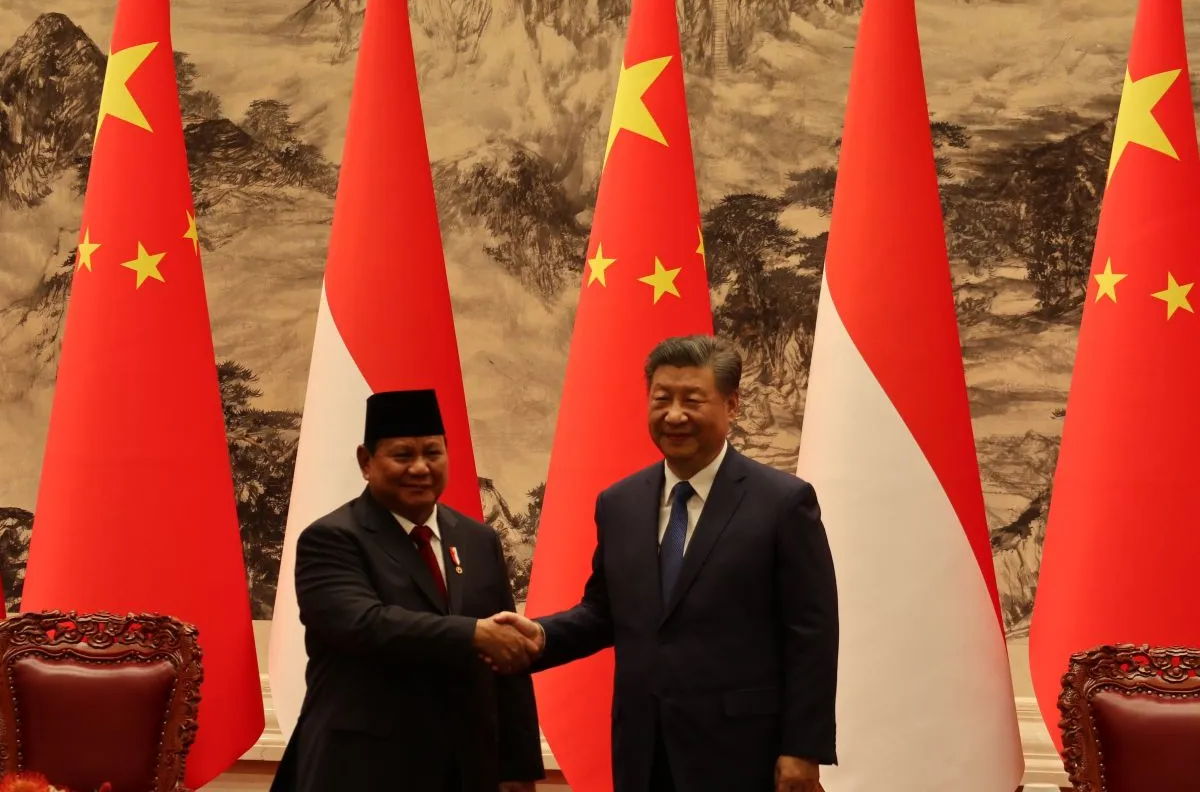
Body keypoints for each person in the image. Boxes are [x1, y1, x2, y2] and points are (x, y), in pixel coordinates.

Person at [496, 335, 839, 792]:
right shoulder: (619, 503)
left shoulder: (782, 503)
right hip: (644, 750)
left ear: (732, 405)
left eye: (692, 400)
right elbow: (603, 612)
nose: (674, 415)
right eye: (662, 399)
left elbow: (811, 633)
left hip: (743, 752)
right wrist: (540, 636)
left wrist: (803, 748)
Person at [270, 389, 544, 792]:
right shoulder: (331, 538)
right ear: (366, 462)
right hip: (362, 769)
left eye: (432, 453)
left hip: (466, 769)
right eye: (402, 455)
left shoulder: (478, 539)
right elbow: (364, 625)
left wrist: (519, 768)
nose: (420, 467)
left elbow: (508, 659)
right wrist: (473, 633)